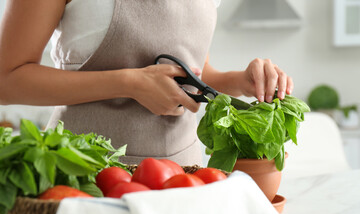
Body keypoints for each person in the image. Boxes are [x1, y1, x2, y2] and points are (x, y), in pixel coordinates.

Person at [0, 0, 293, 166]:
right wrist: (128, 83)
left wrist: (241, 81)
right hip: (83, 174)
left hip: (183, 176)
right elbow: (7, 79)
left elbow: (193, 71)